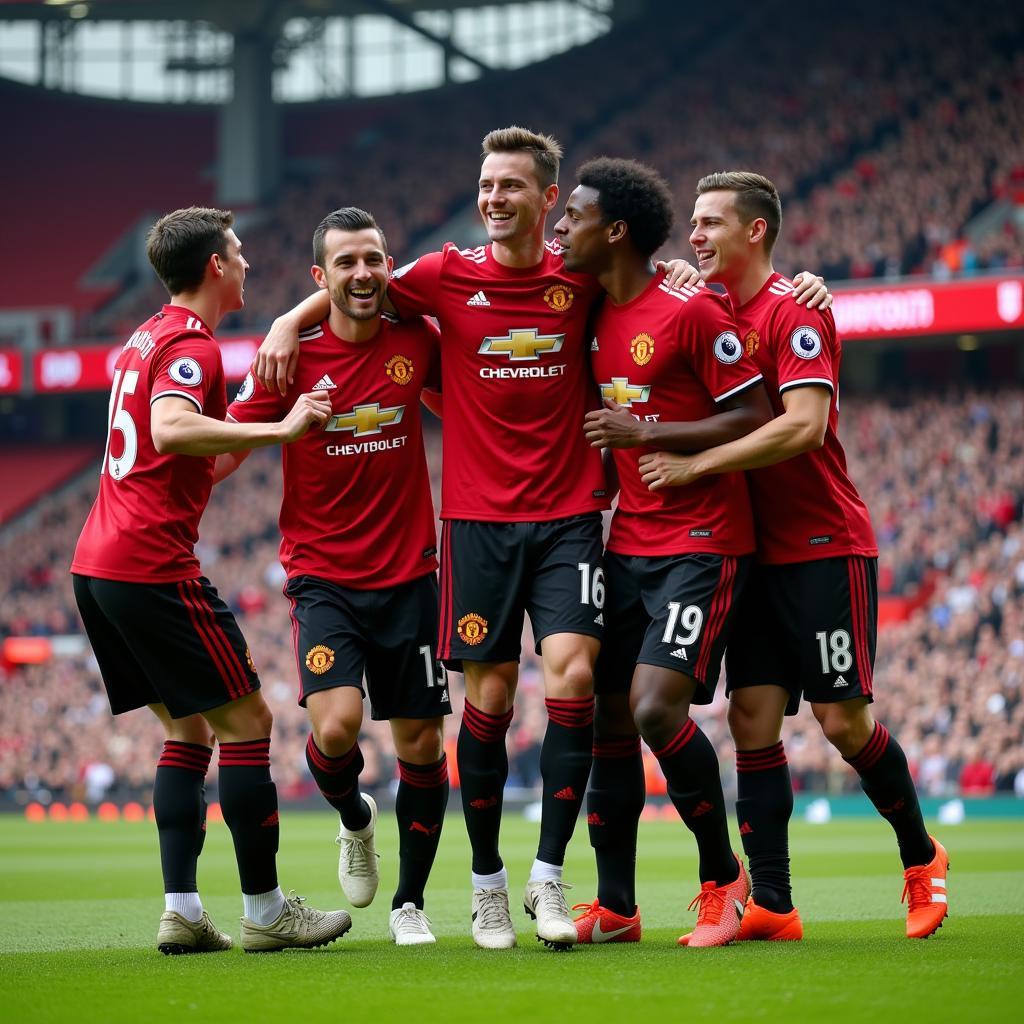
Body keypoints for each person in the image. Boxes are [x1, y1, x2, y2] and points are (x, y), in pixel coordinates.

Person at [254, 127, 827, 951]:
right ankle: (488, 886)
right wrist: (285, 320)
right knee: (487, 700)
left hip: (569, 520)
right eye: (486, 184)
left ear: (548, 199)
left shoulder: (583, 276)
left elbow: (669, 290)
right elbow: (360, 286)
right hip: (478, 525)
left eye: (511, 187)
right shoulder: (445, 275)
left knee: (578, 675)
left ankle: (550, 877)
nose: (493, 198)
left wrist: (799, 285)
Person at [639, 171, 949, 942]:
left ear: (756, 231)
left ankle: (921, 856)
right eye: (693, 224)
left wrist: (698, 466)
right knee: (751, 719)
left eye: (712, 223)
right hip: (749, 552)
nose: (697, 235)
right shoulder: (702, 310)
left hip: (821, 544)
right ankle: (773, 903)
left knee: (844, 723)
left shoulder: (795, 313)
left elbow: (804, 425)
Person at [71, 206, 352, 954]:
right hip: (150, 563)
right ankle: (265, 911)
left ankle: (184, 910)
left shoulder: (142, 338)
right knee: (249, 724)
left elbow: (204, 460)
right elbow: (170, 428)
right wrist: (283, 428)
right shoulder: (190, 344)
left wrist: (264, 424)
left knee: (187, 728)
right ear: (215, 268)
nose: (249, 264)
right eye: (240, 253)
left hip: (97, 565)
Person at [555, 156, 774, 947]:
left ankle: (724, 881)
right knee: (606, 716)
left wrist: (645, 434)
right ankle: (616, 908)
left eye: (571, 214)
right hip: (628, 543)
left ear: (614, 230)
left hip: (703, 542)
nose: (558, 227)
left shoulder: (687, 312)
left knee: (653, 707)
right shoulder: (586, 312)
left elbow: (752, 412)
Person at [218, 208, 452, 946]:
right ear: (321, 277)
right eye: (346, 263)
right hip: (325, 578)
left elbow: (474, 394)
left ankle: (410, 902)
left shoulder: (417, 339)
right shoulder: (288, 362)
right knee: (338, 725)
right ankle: (355, 820)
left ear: (388, 268)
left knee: (419, 742)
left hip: (411, 574)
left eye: (373, 261)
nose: (362, 274)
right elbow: (224, 451)